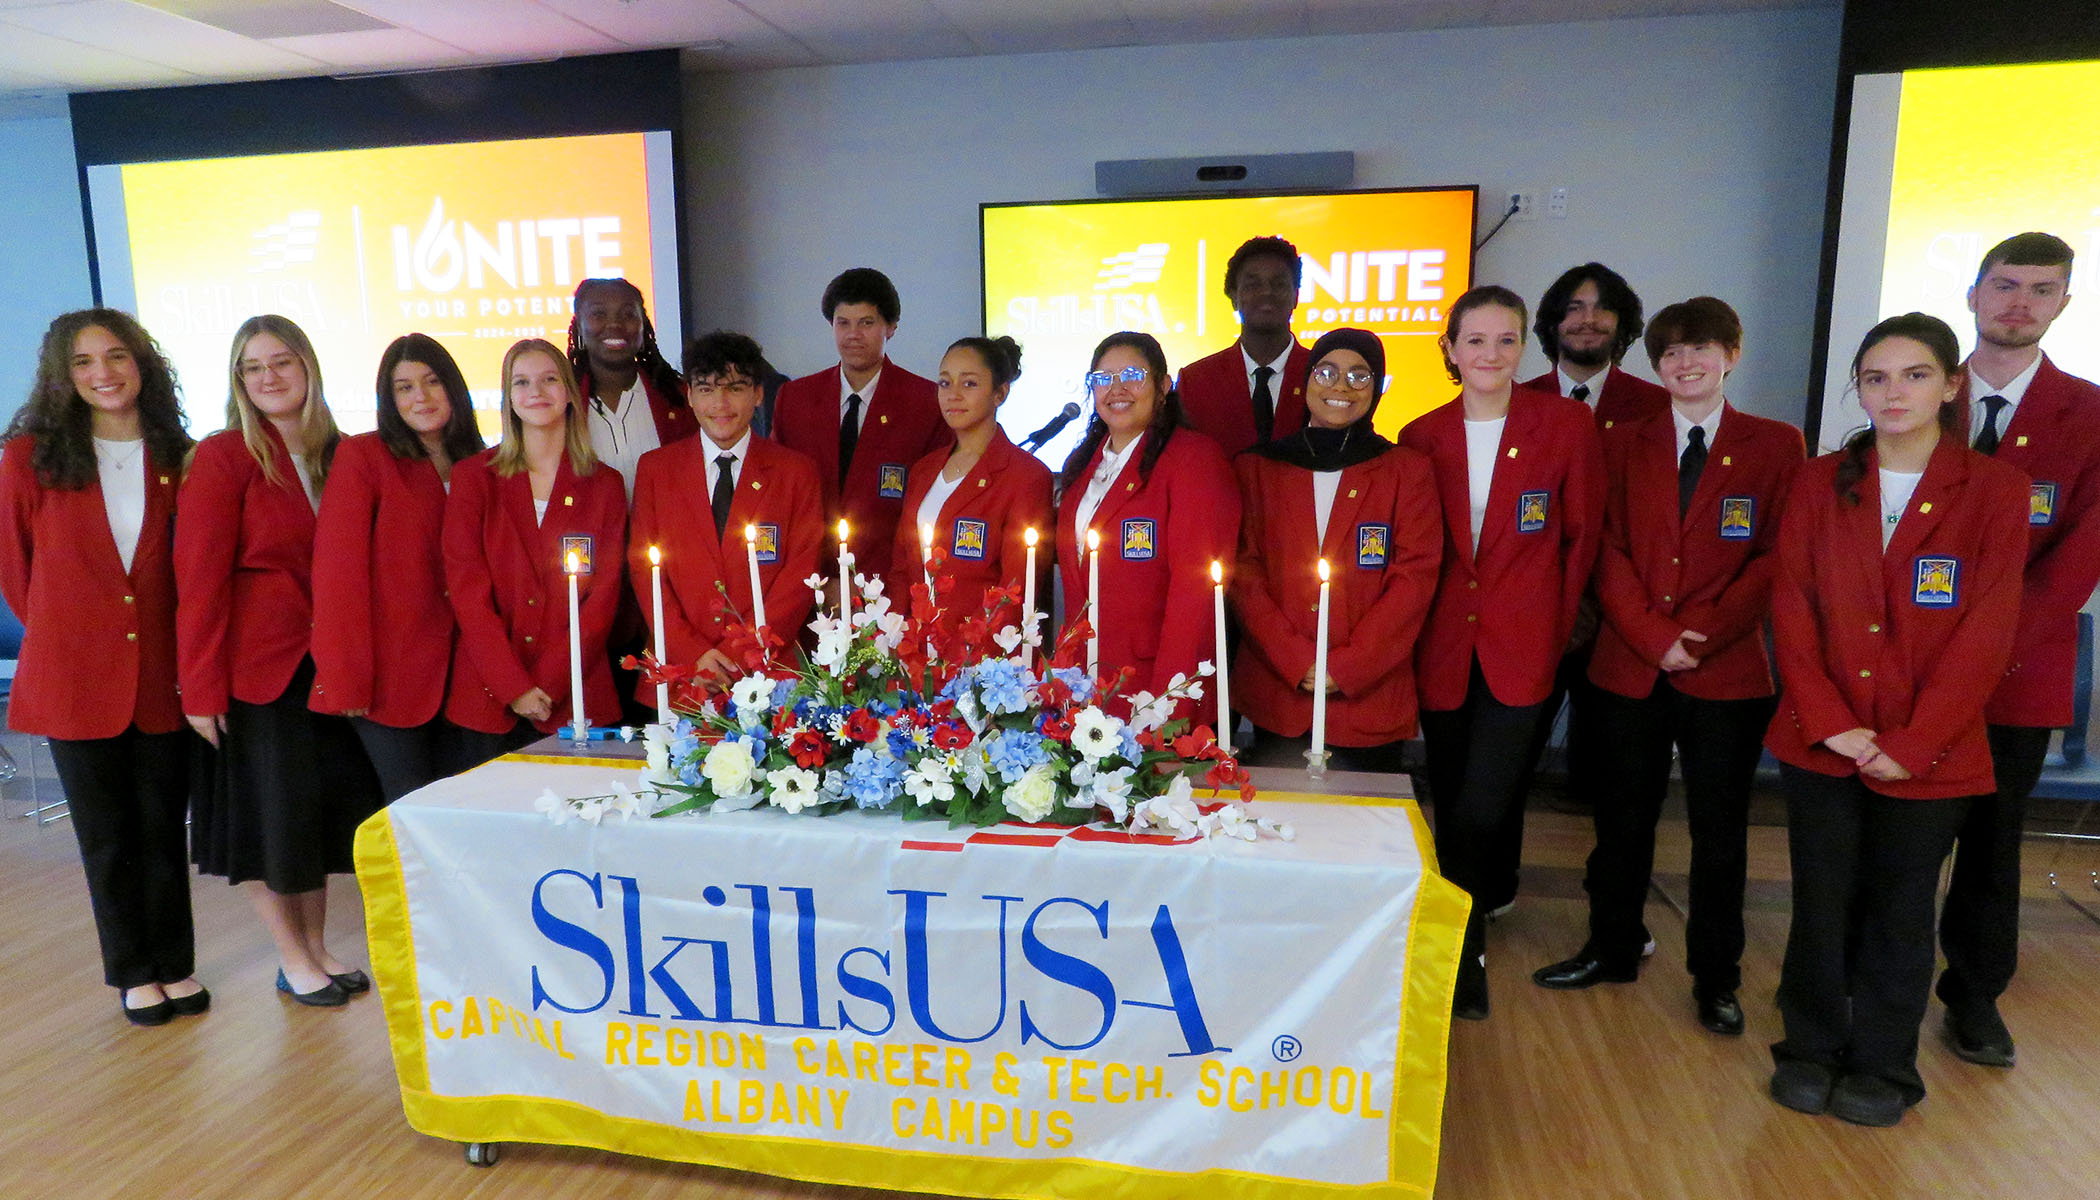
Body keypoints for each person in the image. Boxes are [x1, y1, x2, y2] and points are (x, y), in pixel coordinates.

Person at [1765, 312, 2026, 1127]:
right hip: (1823, 741)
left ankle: (1884, 1065)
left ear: (1951, 385)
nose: (1893, 393)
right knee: (1820, 903)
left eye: (1913, 375)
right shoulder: (1817, 482)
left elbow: (1987, 630)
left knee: (1901, 912)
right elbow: (1792, 605)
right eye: (1876, 378)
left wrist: (1913, 745)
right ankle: (1809, 1048)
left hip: (1932, 755)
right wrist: (1830, 719)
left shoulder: (1994, 491)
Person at [1531, 298, 1803, 1036]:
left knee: (1720, 835)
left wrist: (1704, 635)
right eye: (1671, 354)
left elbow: (1777, 554)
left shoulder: (1777, 444)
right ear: (1656, 366)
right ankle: (1610, 947)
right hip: (1630, 666)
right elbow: (1605, 549)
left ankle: (1716, 978)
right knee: (1621, 822)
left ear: (1732, 353)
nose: (1687, 364)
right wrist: (1655, 637)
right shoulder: (1620, 440)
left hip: (1728, 674)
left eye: (1701, 349)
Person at [1399, 286, 1602, 1021]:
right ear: (1450, 350)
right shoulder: (1420, 435)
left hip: (1524, 647)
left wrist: (1553, 630)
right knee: (1451, 795)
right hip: (1444, 645)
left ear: (1525, 348)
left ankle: (1461, 953)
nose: (1490, 354)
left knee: (1485, 805)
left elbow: (1580, 541)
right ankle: (1458, 932)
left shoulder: (1565, 425)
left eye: (1506, 340)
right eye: (1475, 340)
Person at [1, 309, 204, 1026]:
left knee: (159, 827)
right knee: (107, 836)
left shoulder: (178, 453)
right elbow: (17, 572)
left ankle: (175, 965)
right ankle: (133, 973)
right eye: (84, 363)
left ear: (141, 363)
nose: (103, 374)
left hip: (159, 673)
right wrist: (75, 631)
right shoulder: (30, 457)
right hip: (71, 678)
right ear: (63, 376)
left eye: (116, 357)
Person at [176, 314, 383, 1008]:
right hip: (258, 671)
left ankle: (318, 948)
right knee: (269, 820)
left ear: (309, 367)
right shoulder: (224, 455)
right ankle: (293, 958)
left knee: (311, 819)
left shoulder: (343, 451)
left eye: (281, 362)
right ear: (238, 381)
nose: (268, 378)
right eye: (252, 367)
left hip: (331, 667)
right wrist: (199, 688)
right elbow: (199, 578)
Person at [1936, 233, 2100, 1069]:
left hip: (2014, 674)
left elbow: (2079, 558)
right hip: (1906, 674)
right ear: (1972, 293)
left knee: (1994, 845)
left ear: (2064, 304)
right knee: (1893, 841)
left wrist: (1981, 651)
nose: (2019, 303)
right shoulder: (1916, 391)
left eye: (2042, 290)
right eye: (2004, 285)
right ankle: (1870, 980)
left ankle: (1974, 998)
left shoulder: (2091, 413)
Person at [1492, 262, 1674, 919]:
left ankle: (1613, 913)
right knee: (1508, 768)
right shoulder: (1513, 396)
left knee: (1620, 783)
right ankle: (1495, 888)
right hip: (1532, 625)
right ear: (1549, 325)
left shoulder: (1656, 407)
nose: (1587, 319)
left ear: (1623, 324)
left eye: (1601, 309)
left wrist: (1606, 607)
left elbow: (1652, 526)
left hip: (1622, 627)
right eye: (1572, 308)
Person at [1229, 328, 1439, 772]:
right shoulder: (1258, 467)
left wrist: (1343, 669)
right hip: (1279, 694)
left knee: (1361, 833)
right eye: (1326, 371)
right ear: (1306, 381)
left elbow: (1414, 579)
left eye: (1359, 375)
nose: (1341, 386)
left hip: (1368, 698)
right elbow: (1244, 573)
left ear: (1377, 386)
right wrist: (1297, 660)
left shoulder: (1407, 470)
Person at [310, 334, 487, 802]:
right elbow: (337, 575)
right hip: (391, 680)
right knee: (411, 815)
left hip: (474, 680)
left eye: (432, 382)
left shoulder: (484, 461)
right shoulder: (364, 457)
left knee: (466, 814)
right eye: (404, 387)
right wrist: (344, 676)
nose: (421, 397)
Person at [444, 339, 627, 759]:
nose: (537, 392)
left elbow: (601, 601)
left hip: (577, 698)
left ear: (569, 392)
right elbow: (468, 592)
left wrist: (549, 682)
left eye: (549, 380)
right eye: (522, 382)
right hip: (489, 700)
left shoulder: (605, 485)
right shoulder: (474, 478)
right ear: (508, 398)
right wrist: (515, 686)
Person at [1056, 332, 1241, 705]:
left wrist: (1168, 702)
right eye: (1103, 378)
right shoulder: (1085, 463)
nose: (1116, 388)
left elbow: (1195, 595)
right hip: (1082, 685)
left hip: (1150, 686)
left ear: (1163, 386)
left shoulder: (1193, 460)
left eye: (1132, 375)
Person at [629, 331, 824, 685]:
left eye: (735, 387)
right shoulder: (656, 469)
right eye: (706, 388)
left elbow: (800, 573)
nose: (720, 403)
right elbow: (645, 571)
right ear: (689, 395)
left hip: (767, 670)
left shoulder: (796, 471)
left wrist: (740, 654)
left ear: (758, 394)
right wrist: (692, 654)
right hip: (681, 673)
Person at [771, 267, 947, 582]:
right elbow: (778, 495)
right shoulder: (794, 399)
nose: (853, 335)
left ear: (890, 328)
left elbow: (932, 506)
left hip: (889, 585)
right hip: (807, 581)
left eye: (866, 323)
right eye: (843, 323)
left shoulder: (926, 402)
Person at [885, 335, 1054, 634]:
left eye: (970, 384)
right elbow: (901, 569)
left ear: (1000, 393)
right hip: (914, 657)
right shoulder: (924, 470)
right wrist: (894, 640)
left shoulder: (1026, 476)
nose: (953, 395)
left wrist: (965, 657)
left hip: (979, 664)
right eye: (945, 383)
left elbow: (1015, 590)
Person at [1176, 235, 1312, 457]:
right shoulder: (1196, 381)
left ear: (1296, 296)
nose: (1266, 292)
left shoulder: (1321, 374)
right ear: (1233, 297)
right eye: (1253, 284)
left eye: (1278, 284)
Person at [566, 277, 695, 497]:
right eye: (599, 314)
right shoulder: (562, 405)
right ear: (579, 326)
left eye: (628, 314)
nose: (615, 324)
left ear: (643, 324)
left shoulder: (680, 399)